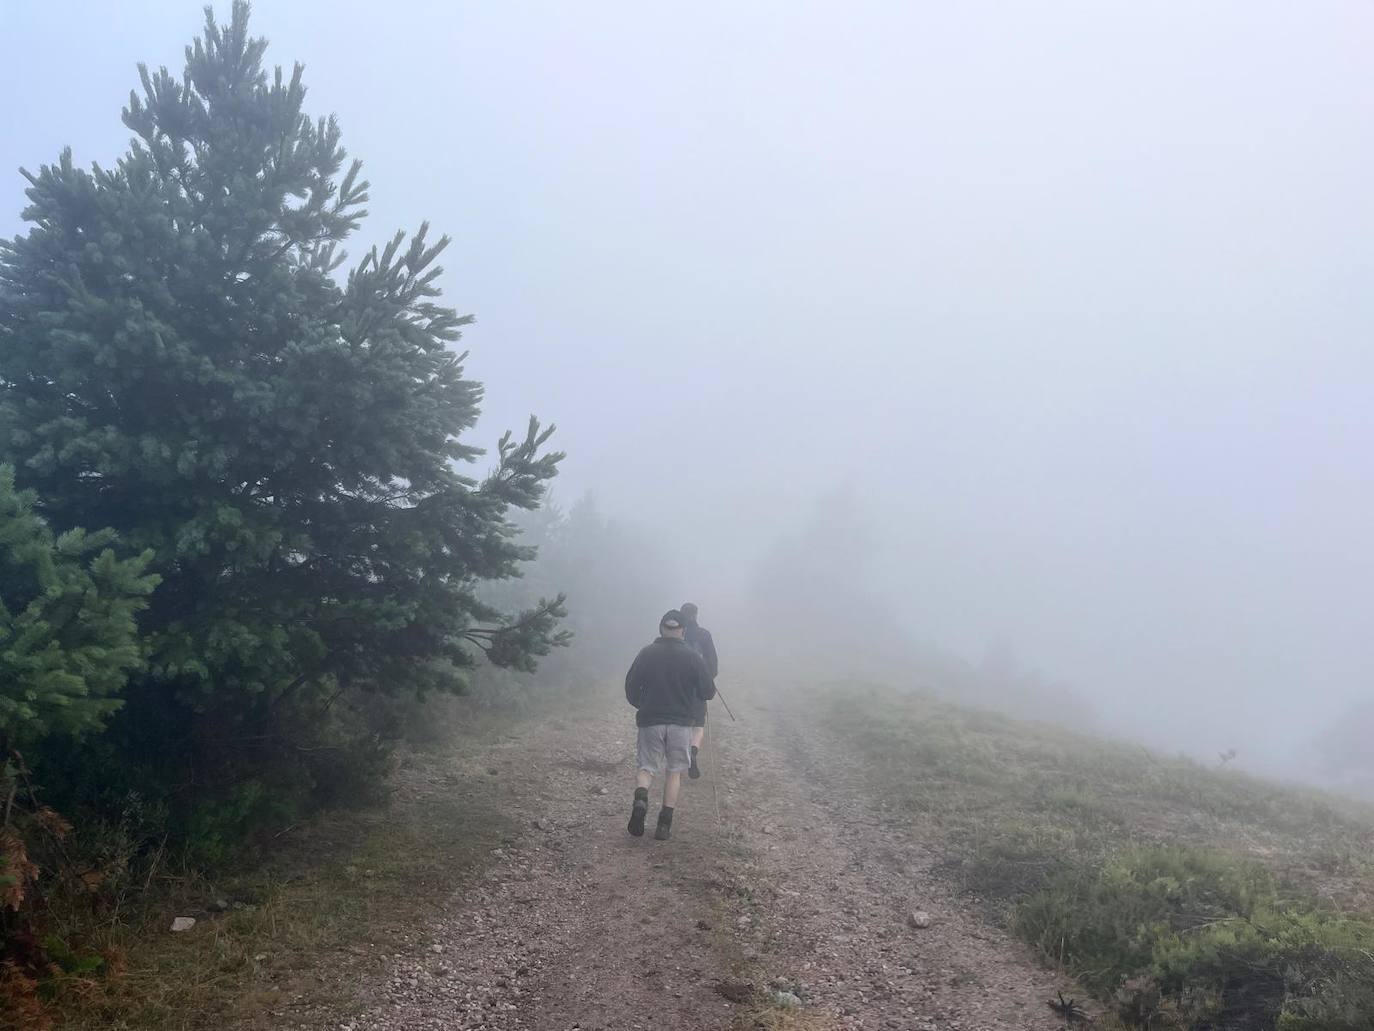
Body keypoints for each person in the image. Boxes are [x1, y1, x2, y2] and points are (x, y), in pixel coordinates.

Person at [624, 609, 716, 840]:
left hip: (650, 720)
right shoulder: (693, 657)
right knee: (674, 772)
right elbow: (708, 691)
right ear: (683, 631)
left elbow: (631, 688)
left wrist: (642, 705)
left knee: (646, 767)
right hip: (681, 723)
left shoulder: (646, 653)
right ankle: (664, 825)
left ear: (661, 629)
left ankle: (641, 798)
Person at [679, 602, 718, 780]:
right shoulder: (704, 635)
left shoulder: (678, 635)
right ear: (696, 615)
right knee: (699, 724)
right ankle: (693, 750)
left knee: (680, 722)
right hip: (698, 688)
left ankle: (677, 755)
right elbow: (713, 665)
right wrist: (708, 680)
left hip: (677, 687)